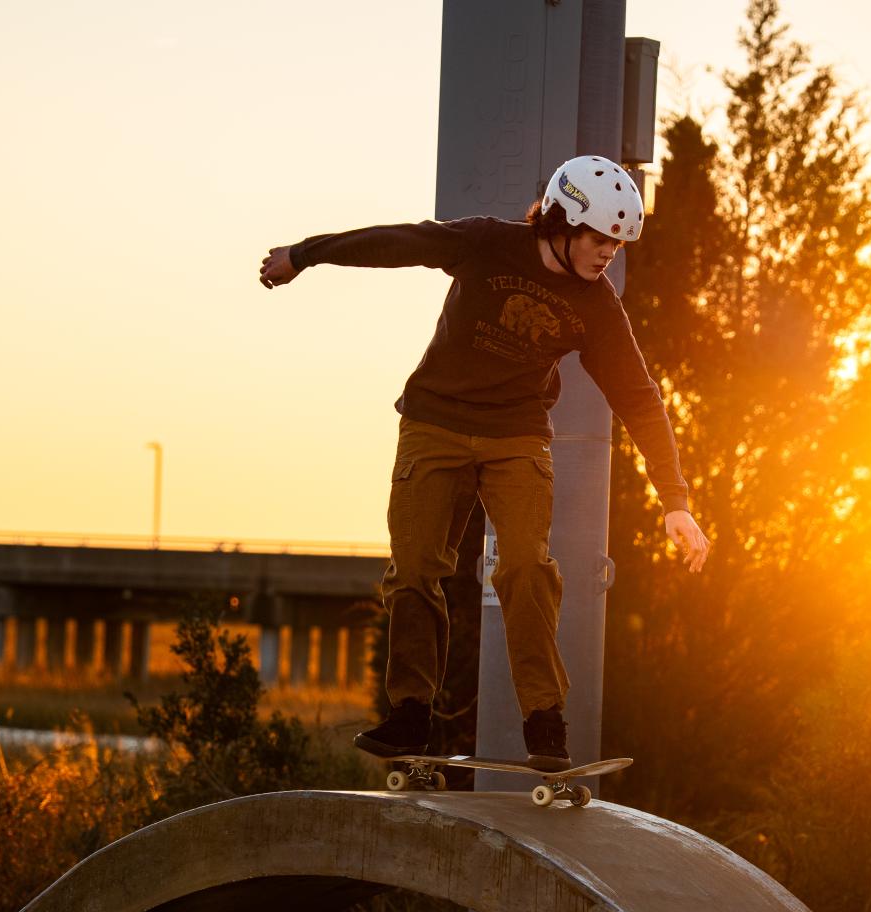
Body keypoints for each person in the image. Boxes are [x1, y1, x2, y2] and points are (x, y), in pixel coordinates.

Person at [259, 155, 709, 771]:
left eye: (618, 244)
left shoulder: (597, 305)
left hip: (516, 437)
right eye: (601, 239)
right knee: (416, 568)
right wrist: (307, 253)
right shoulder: (487, 244)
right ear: (562, 220)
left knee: (526, 567)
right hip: (434, 423)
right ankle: (411, 713)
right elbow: (401, 242)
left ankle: (544, 720)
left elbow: (639, 398)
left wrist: (675, 501)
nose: (609, 254)